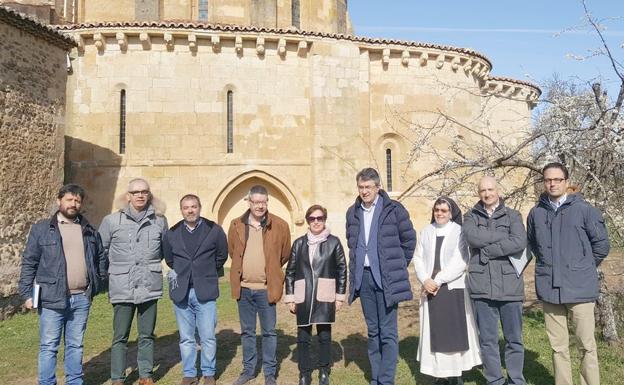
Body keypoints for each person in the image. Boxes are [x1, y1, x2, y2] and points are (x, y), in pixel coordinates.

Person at [527, 162, 610, 385]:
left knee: (587, 345)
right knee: (558, 347)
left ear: (566, 182)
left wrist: (582, 267)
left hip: (580, 289)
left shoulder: (585, 210)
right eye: (548, 180)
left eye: (557, 180)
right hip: (550, 290)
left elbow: (601, 245)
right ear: (543, 182)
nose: (552, 184)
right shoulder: (536, 213)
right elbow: (534, 245)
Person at [18, 184, 107, 385]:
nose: (73, 204)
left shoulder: (89, 229)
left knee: (76, 345)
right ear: (59, 201)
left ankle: (75, 381)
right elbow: (29, 261)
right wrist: (27, 294)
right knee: (49, 345)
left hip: (81, 298)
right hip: (51, 298)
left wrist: (97, 282)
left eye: (77, 200)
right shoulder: (42, 229)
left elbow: (101, 257)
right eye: (69, 199)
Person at [345, 167, 416, 385]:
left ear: (378, 187)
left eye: (368, 187)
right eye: (361, 187)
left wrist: (395, 266)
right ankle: (376, 377)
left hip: (386, 279)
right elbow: (352, 242)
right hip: (364, 279)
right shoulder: (353, 212)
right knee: (373, 331)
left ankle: (386, 380)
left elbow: (409, 240)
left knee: (388, 332)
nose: (364, 191)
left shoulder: (394, 209)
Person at [99, 178, 168, 385]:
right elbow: (100, 251)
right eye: (135, 192)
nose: (140, 195)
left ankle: (146, 374)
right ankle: (117, 377)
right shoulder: (111, 221)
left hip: (149, 284)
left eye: (144, 192)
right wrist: (110, 275)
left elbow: (164, 250)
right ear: (127, 196)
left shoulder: (160, 221)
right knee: (120, 336)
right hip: (122, 286)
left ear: (149, 195)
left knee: (147, 335)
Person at [463, 176, 527, 385]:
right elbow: (472, 238)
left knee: (514, 339)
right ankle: (494, 380)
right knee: (488, 340)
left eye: (491, 189)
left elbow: (519, 242)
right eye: (483, 190)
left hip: (510, 285)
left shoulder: (513, 215)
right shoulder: (470, 216)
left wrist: (487, 250)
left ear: (498, 190)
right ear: (478, 193)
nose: (487, 194)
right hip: (482, 286)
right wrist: (502, 238)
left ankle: (516, 379)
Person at [227, 185, 291, 385]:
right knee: (247, 332)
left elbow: (285, 254)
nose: (260, 206)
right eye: (256, 202)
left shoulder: (279, 225)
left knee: (269, 332)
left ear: (267, 203)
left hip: (266, 289)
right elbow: (232, 252)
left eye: (263, 202)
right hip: (244, 289)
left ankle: (270, 373)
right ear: (249, 202)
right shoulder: (236, 224)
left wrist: (271, 271)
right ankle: (248, 370)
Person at [414, 197, 481, 385]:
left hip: (452, 289)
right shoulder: (426, 231)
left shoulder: (459, 231)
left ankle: (455, 374)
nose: (440, 213)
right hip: (430, 289)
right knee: (435, 333)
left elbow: (461, 261)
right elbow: (418, 258)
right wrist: (425, 280)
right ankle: (439, 374)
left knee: (454, 333)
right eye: (437, 210)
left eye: (444, 210)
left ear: (451, 213)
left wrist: (437, 280)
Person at [163, 194, 228, 385]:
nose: (190, 210)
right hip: (181, 292)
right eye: (186, 207)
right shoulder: (172, 233)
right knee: (186, 338)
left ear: (200, 208)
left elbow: (222, 255)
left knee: (207, 336)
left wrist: (205, 272)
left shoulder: (214, 230)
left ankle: (208, 373)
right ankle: (189, 374)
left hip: (205, 291)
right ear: (181, 210)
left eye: (193, 207)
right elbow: (170, 259)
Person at [284, 205, 347, 385]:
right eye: (312, 219)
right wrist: (290, 297)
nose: (316, 221)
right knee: (303, 337)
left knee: (324, 336)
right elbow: (290, 272)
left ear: (324, 219)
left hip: (325, 294)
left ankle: (324, 371)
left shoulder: (334, 242)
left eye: (319, 218)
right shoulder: (299, 243)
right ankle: (304, 374)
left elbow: (342, 270)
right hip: (303, 294)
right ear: (308, 221)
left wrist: (339, 296)